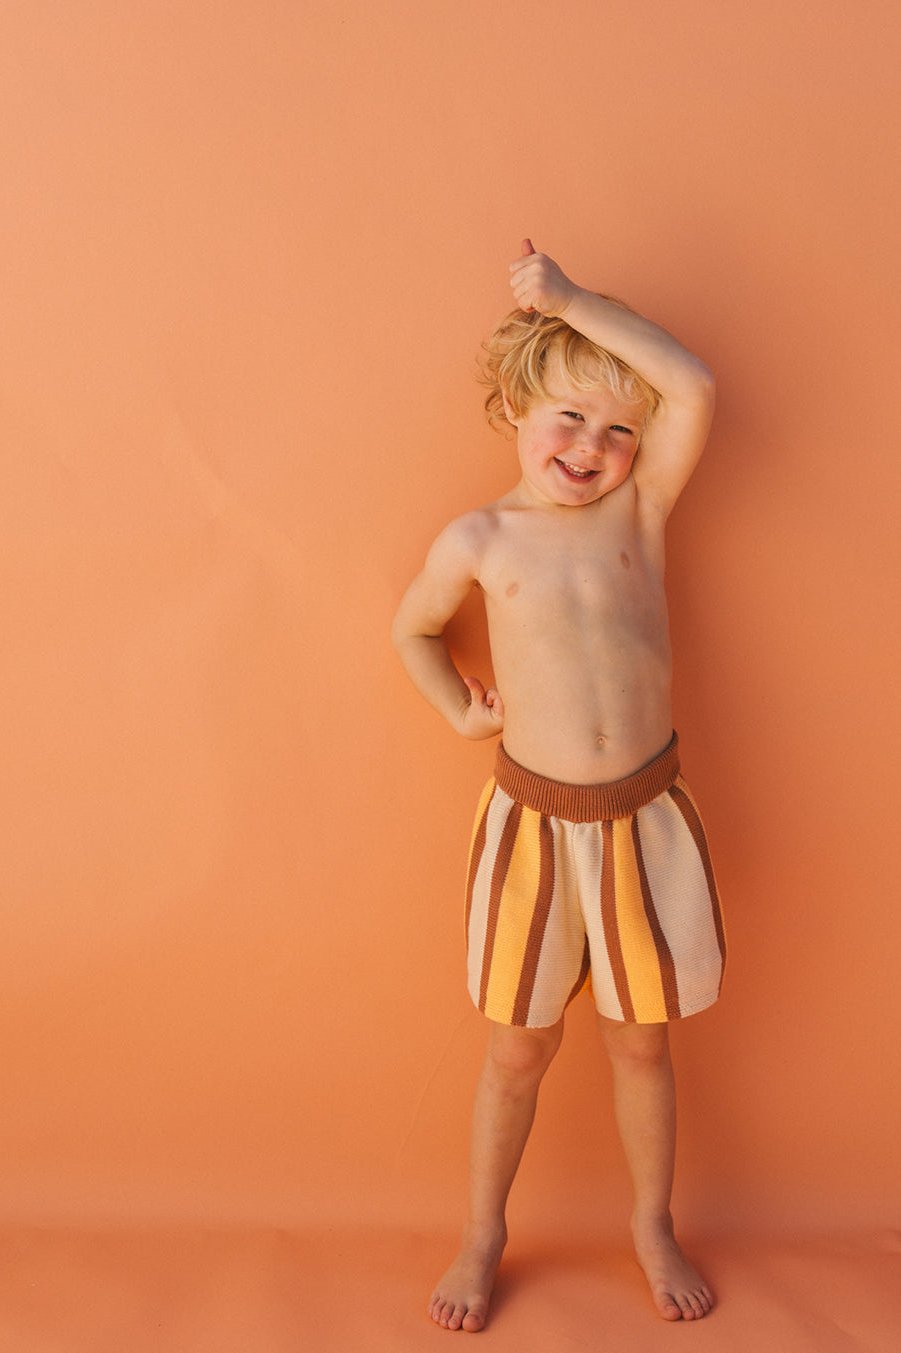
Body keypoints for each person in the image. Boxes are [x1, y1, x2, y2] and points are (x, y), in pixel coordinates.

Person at [391, 240, 726, 1331]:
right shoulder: (482, 537)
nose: (592, 446)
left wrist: (577, 300)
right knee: (518, 1047)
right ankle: (482, 1234)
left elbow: (693, 385)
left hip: (643, 822)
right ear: (514, 407)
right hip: (533, 831)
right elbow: (415, 629)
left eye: (618, 430)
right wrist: (455, 707)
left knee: (641, 1040)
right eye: (568, 417)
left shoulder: (640, 516)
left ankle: (651, 1223)